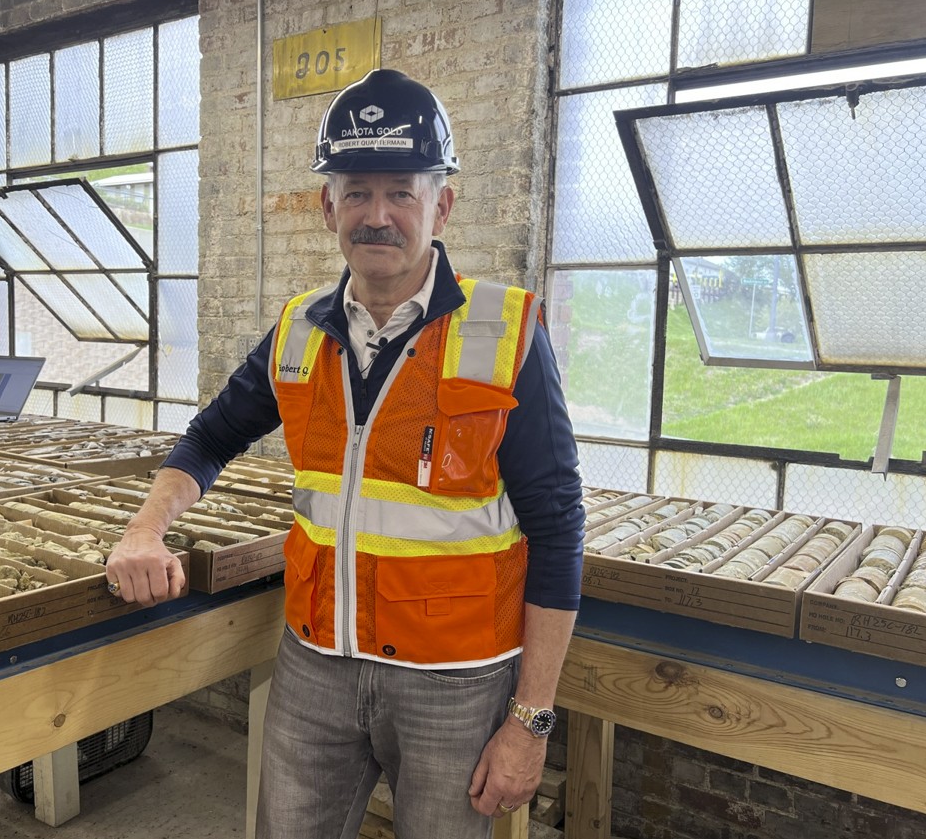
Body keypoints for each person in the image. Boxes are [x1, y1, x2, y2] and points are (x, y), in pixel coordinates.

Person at [105, 68, 585, 839]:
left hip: (453, 681)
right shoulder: (299, 330)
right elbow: (209, 438)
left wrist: (529, 720)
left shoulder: (504, 333)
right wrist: (144, 528)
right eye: (356, 191)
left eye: (401, 192)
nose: (377, 214)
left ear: (441, 204)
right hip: (314, 665)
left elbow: (557, 528)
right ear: (328, 206)